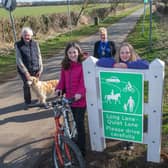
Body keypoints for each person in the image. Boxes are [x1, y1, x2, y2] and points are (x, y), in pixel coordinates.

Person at [97, 42, 149, 150]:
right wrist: (113, 65)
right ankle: (124, 140)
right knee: (122, 118)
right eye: (122, 53)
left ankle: (131, 141)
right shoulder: (116, 62)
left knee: (132, 118)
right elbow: (100, 61)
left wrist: (128, 65)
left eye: (127, 52)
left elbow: (146, 64)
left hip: (132, 96)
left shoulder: (136, 62)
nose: (125, 55)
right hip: (121, 96)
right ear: (118, 54)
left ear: (131, 53)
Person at [55, 42, 86, 156]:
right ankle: (72, 142)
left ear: (78, 52)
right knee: (69, 123)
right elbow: (62, 80)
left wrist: (80, 93)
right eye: (70, 52)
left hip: (80, 100)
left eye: (74, 52)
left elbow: (84, 82)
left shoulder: (83, 64)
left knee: (79, 123)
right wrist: (59, 88)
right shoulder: (65, 65)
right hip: (69, 100)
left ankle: (82, 150)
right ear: (66, 54)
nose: (72, 54)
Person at [15, 27, 43, 109]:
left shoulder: (35, 43)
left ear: (31, 36)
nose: (27, 37)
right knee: (26, 85)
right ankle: (28, 102)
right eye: (25, 35)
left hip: (35, 68)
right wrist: (25, 72)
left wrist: (40, 69)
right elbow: (18, 59)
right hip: (24, 70)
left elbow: (39, 56)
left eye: (28, 35)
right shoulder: (18, 45)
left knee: (37, 85)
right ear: (22, 35)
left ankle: (40, 99)